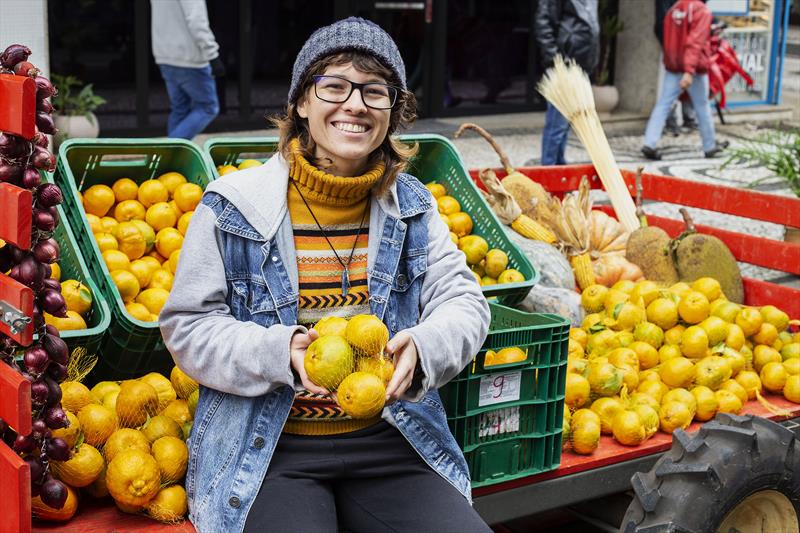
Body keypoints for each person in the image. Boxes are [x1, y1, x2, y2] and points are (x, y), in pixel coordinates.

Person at [159, 16, 492, 533]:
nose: (354, 105)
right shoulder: (233, 207)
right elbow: (188, 326)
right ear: (300, 103)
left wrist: (426, 347)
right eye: (333, 86)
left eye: (374, 92)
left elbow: (465, 302)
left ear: (393, 110)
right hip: (269, 448)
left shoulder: (413, 209)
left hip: (390, 437)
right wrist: (279, 353)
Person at [642, 0, 728, 160]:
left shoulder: (675, 8)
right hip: (694, 69)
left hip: (673, 66)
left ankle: (650, 143)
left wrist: (673, 61)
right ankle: (709, 146)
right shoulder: (701, 11)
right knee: (702, 106)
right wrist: (689, 71)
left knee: (663, 104)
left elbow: (664, 34)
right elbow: (694, 43)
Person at [535, 0, 600, 165]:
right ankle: (549, 169)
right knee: (557, 123)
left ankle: (559, 165)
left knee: (567, 120)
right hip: (565, 62)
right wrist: (555, 59)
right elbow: (543, 23)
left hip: (581, 63)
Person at [150, 0, 225, 140]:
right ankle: (168, 150)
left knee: (179, 109)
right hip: (190, 58)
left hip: (164, 55)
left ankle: (171, 159)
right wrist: (212, 55)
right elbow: (197, 21)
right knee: (208, 107)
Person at [654, 0, 697, 136]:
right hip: (674, 44)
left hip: (677, 43)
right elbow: (661, 21)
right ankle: (672, 119)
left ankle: (684, 117)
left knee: (674, 88)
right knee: (671, 89)